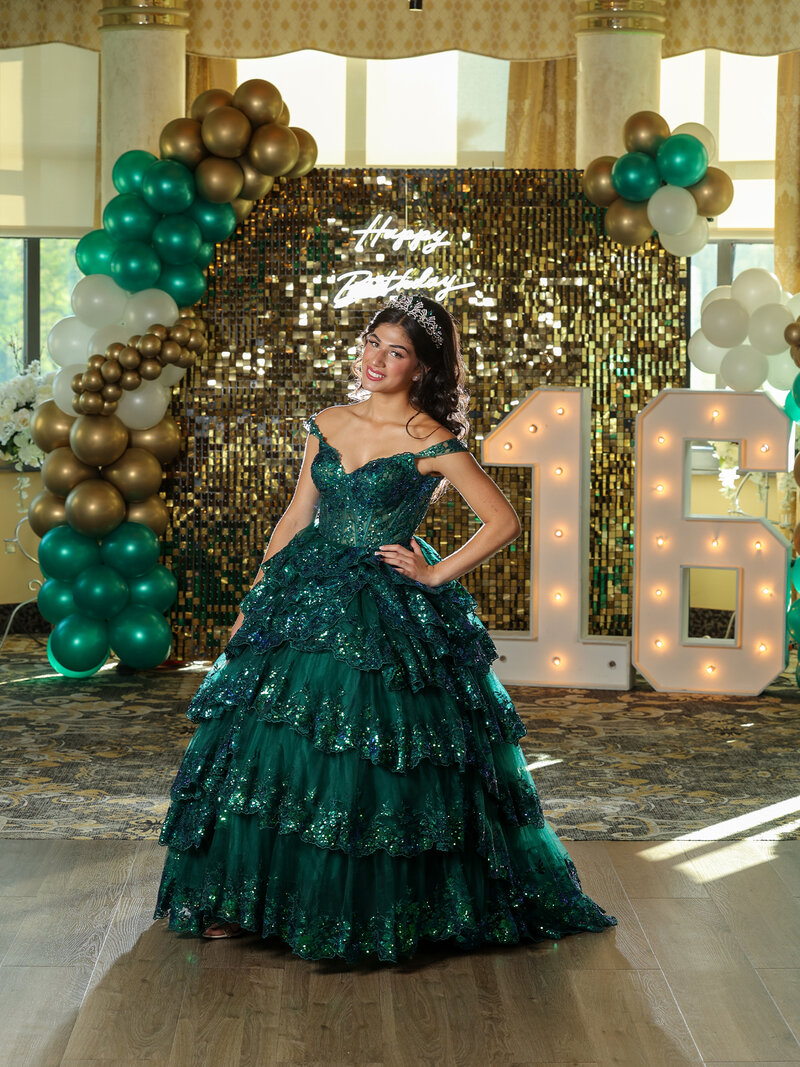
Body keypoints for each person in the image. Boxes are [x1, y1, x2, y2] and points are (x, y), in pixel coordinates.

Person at [153, 293, 618, 960]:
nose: (377, 359)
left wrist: (434, 574)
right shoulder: (327, 421)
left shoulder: (430, 439)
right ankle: (250, 900)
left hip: (383, 608)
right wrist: (257, 592)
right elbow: (296, 513)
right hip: (306, 588)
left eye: (396, 351)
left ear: (421, 368)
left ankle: (370, 909)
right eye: (373, 342)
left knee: (376, 757)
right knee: (274, 748)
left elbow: (504, 520)